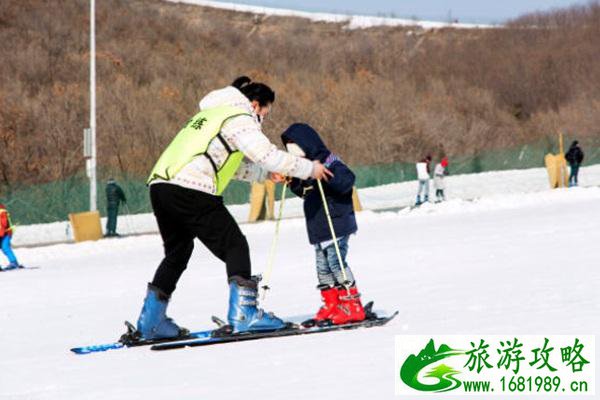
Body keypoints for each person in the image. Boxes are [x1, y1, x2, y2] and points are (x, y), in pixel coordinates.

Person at [134, 76, 332, 340]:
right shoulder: (239, 115)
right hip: (191, 186)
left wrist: (265, 174)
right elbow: (267, 155)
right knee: (235, 246)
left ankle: (151, 322)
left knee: (178, 251)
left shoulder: (211, 115)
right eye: (264, 112)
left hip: (161, 186)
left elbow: (227, 161)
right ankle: (245, 314)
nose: (263, 119)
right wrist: (310, 169)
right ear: (254, 103)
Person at [281, 123, 365, 325]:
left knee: (336, 264)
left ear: (307, 143)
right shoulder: (306, 169)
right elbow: (305, 193)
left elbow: (346, 182)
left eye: (295, 143)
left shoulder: (329, 161)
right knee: (323, 268)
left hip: (336, 223)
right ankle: (332, 304)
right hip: (319, 227)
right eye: (288, 145)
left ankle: (352, 304)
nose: (292, 148)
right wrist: (292, 182)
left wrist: (326, 176)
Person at [0, 204, 22, 271]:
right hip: (1, 233)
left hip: (6, 233)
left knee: (5, 247)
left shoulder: (2, 211)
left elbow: (4, 224)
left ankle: (14, 263)